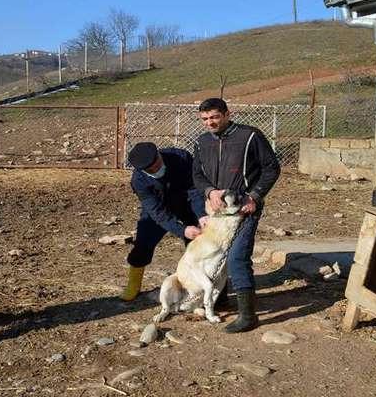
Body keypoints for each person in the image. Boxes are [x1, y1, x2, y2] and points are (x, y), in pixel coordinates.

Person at [192, 97, 280, 333]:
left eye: (214, 117)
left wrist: (255, 196)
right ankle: (221, 300)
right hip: (217, 213)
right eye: (205, 119)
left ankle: (248, 316)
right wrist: (210, 192)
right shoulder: (201, 142)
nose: (210, 122)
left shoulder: (250, 136)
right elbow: (197, 176)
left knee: (237, 257)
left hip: (243, 209)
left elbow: (272, 168)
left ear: (227, 114)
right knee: (215, 255)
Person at [120, 142, 208, 301]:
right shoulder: (139, 181)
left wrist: (201, 214)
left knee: (197, 244)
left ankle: (195, 285)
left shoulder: (181, 157)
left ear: (159, 154)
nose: (157, 169)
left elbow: (194, 189)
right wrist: (182, 230)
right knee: (143, 244)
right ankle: (133, 284)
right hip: (158, 209)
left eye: (158, 164)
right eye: (151, 170)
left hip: (187, 203)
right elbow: (158, 213)